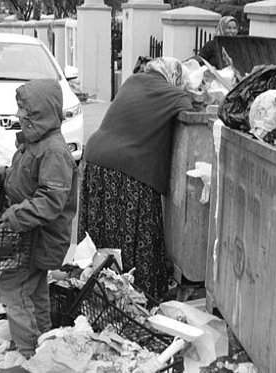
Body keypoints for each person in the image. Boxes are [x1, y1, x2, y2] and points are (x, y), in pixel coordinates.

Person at [0, 79, 78, 358]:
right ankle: (43, 345)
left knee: (15, 289)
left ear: (42, 115)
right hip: (29, 235)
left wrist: (16, 215)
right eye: (21, 110)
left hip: (39, 236)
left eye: (27, 112)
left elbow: (51, 199)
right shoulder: (35, 143)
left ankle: (29, 353)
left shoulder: (53, 150)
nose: (20, 116)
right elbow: (23, 178)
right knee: (34, 293)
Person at [77, 57, 194, 301]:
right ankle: (136, 295)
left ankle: (97, 291)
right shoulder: (168, 91)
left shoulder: (133, 82)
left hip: (96, 159)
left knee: (102, 235)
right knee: (138, 232)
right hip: (127, 167)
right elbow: (191, 104)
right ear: (173, 76)